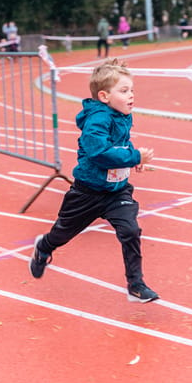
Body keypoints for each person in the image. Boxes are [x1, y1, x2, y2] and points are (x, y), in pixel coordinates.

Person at [29, 58, 159, 303]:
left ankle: (135, 284)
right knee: (62, 234)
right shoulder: (96, 120)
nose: (131, 95)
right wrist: (133, 155)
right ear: (104, 96)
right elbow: (99, 153)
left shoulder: (122, 115)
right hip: (87, 193)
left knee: (130, 230)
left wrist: (133, 159)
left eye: (132, 90)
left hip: (116, 192)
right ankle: (44, 247)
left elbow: (119, 143)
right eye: (124, 91)